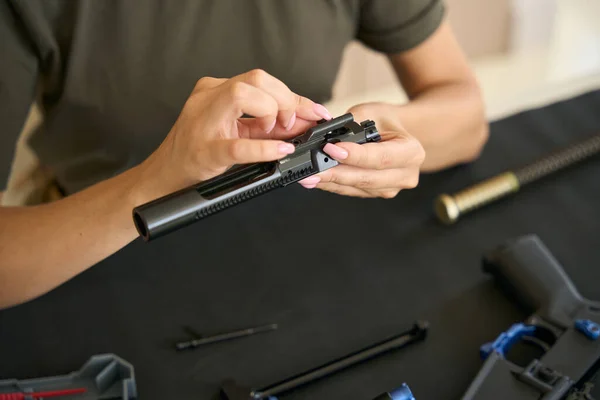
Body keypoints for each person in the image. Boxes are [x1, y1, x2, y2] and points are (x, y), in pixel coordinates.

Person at [0, 0, 487, 309]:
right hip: (97, 253)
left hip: (286, 242)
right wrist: (153, 182)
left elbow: (465, 117)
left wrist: (385, 132)